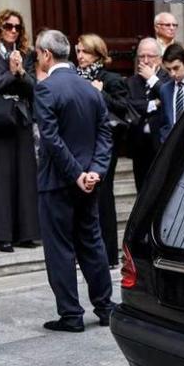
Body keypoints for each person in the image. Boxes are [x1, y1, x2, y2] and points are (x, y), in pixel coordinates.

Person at [33, 29, 114, 332]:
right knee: (92, 243)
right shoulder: (90, 89)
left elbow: (50, 140)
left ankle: (71, 314)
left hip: (58, 182)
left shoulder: (46, 89)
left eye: (38, 53)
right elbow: (105, 134)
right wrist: (95, 171)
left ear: (46, 55)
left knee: (60, 248)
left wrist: (78, 174)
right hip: (88, 181)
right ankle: (105, 307)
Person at [0, 9, 41, 253]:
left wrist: (22, 73)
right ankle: (0, 234)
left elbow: (34, 87)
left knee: (24, 174)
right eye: (8, 26)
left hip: (21, 118)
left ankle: (26, 232)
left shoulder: (27, 55)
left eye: (17, 27)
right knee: (0, 176)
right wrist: (10, 73)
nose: (13, 31)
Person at [75, 33, 130, 269]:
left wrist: (101, 93)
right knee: (80, 195)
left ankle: (108, 254)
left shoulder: (111, 78)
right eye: (77, 51)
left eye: (85, 51)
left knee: (103, 194)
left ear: (98, 54)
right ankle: (83, 251)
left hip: (105, 145)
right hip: (80, 143)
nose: (80, 56)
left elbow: (124, 109)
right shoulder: (73, 77)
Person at [124, 37, 169, 191]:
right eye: (141, 56)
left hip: (161, 144)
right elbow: (129, 105)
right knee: (142, 190)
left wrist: (152, 79)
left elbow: (168, 98)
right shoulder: (132, 81)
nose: (145, 60)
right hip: (139, 144)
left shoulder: (168, 78)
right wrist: (153, 104)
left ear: (160, 59)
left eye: (150, 56)